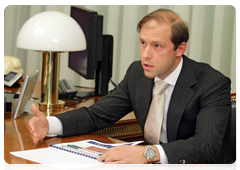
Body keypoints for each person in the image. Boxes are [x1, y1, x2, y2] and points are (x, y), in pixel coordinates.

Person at [28, 9, 234, 169]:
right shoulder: (138, 72)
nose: (145, 54)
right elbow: (98, 115)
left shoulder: (211, 83)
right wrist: (50, 124)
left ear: (180, 49)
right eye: (143, 43)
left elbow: (207, 145)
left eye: (157, 46)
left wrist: (147, 153)